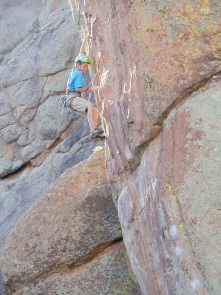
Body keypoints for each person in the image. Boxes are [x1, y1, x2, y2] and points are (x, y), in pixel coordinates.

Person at [66, 36, 104, 141]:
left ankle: (94, 133)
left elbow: (79, 56)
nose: (85, 68)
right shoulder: (78, 73)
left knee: (95, 111)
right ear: (79, 65)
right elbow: (79, 89)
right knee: (90, 105)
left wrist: (83, 42)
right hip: (72, 98)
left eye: (87, 67)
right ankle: (94, 130)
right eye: (85, 66)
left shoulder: (75, 69)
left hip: (72, 99)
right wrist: (92, 88)